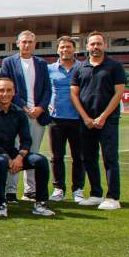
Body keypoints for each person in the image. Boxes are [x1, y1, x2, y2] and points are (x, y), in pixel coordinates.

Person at [0, 78, 55, 217]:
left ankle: (40, 203)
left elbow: (26, 139)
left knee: (41, 161)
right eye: (1, 90)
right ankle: (1, 203)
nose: (5, 94)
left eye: (9, 90)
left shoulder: (19, 112)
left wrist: (19, 157)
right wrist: (8, 158)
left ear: (14, 92)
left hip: (14, 154)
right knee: (2, 161)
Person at [71, 31, 127, 210]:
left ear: (105, 46)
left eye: (99, 44)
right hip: (86, 121)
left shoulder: (115, 66)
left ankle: (113, 197)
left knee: (110, 158)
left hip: (108, 121)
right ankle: (96, 194)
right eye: (92, 44)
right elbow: (74, 94)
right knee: (88, 158)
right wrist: (86, 118)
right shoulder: (80, 68)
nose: (95, 47)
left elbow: (119, 93)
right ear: (87, 46)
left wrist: (103, 117)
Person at [0, 30, 52, 202]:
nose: (27, 45)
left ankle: (30, 190)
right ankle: (11, 190)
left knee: (33, 152)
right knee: (14, 151)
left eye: (30, 42)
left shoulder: (41, 63)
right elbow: (7, 89)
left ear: (35, 44)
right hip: (16, 114)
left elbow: (47, 89)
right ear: (17, 44)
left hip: (38, 116)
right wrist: (24, 108)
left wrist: (40, 108)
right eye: (24, 42)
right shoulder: (8, 62)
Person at [47, 36, 85, 203]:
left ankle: (78, 189)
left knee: (79, 156)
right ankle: (58, 189)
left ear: (74, 49)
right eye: (62, 47)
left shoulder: (83, 68)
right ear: (57, 50)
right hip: (56, 119)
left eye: (68, 47)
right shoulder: (49, 69)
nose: (65, 50)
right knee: (57, 156)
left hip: (78, 118)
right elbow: (44, 89)